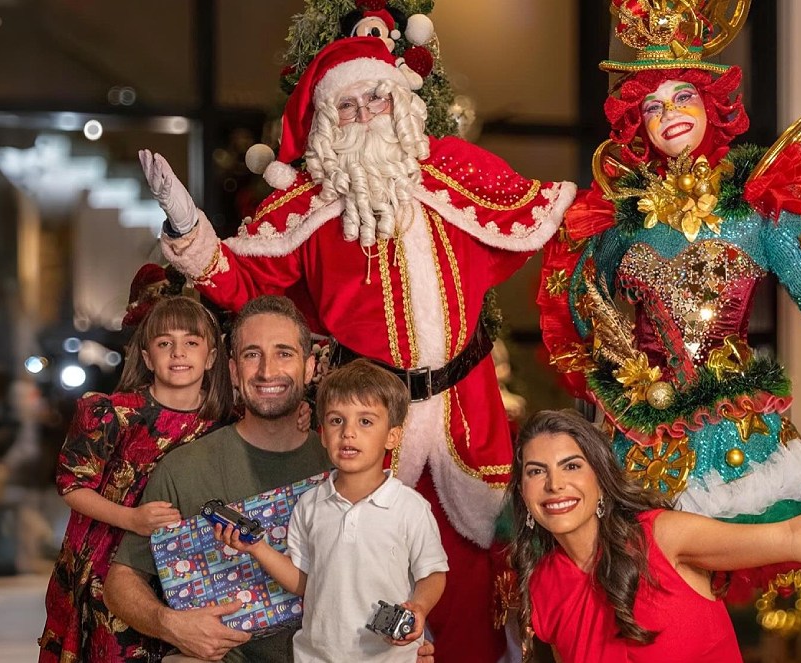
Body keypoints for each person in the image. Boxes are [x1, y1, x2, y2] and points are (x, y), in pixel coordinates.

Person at [139, 36, 577, 661]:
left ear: (401, 102)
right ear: (326, 124)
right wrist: (187, 229)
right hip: (369, 413)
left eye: (378, 97)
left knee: (475, 563)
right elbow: (243, 282)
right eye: (348, 106)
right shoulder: (311, 211)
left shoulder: (454, 176)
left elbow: (547, 215)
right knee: (360, 553)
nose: (367, 113)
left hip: (465, 406)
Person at [538, 0, 801, 596]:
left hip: (739, 447)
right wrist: (611, 349)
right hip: (641, 443)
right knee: (647, 593)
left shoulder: (758, 206)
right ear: (639, 124)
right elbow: (578, 317)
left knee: (711, 593)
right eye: (653, 105)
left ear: (713, 104)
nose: (669, 114)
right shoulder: (617, 222)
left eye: (684, 96)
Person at [510, 409, 801, 663]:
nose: (554, 484)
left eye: (572, 466)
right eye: (536, 471)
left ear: (600, 479)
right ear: (523, 491)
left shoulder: (660, 535)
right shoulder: (543, 582)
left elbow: (797, 537)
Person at [38, 264, 234, 662]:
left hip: (176, 565)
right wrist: (131, 520)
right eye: (164, 343)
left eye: (191, 343)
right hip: (105, 561)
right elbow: (73, 486)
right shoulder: (112, 413)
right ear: (146, 355)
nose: (178, 353)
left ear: (212, 356)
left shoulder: (222, 424)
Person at [216, 359, 448, 662]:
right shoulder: (310, 506)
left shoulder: (410, 508)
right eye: (337, 421)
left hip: (391, 658)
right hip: (317, 656)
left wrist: (418, 606)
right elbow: (304, 581)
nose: (348, 433)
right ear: (323, 434)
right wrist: (257, 549)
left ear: (392, 436)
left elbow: (432, 572)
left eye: (365, 421)